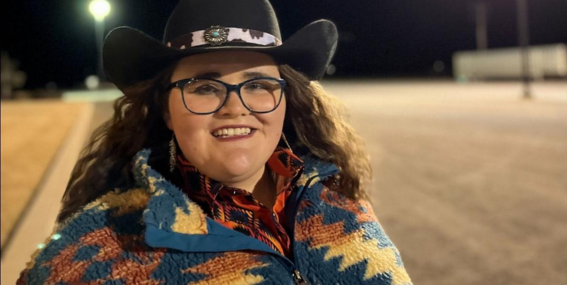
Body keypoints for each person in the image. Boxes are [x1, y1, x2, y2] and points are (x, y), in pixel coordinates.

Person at [18, 0, 412, 284]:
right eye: (204, 87)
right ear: (167, 111)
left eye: (258, 85)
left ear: (286, 101)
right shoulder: (94, 255)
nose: (233, 107)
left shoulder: (340, 200)